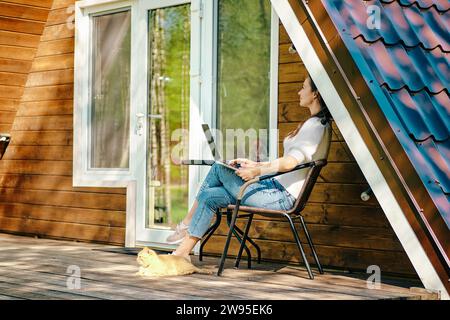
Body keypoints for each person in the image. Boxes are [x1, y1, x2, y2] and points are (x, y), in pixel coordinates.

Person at [167, 74, 333, 261]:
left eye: (303, 87)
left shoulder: (315, 126)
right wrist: (254, 164)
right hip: (274, 189)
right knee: (209, 196)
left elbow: (290, 163)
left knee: (218, 169)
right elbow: (289, 161)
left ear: (316, 94)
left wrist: (257, 171)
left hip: (280, 197)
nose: (299, 91)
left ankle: (187, 223)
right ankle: (181, 254)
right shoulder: (317, 124)